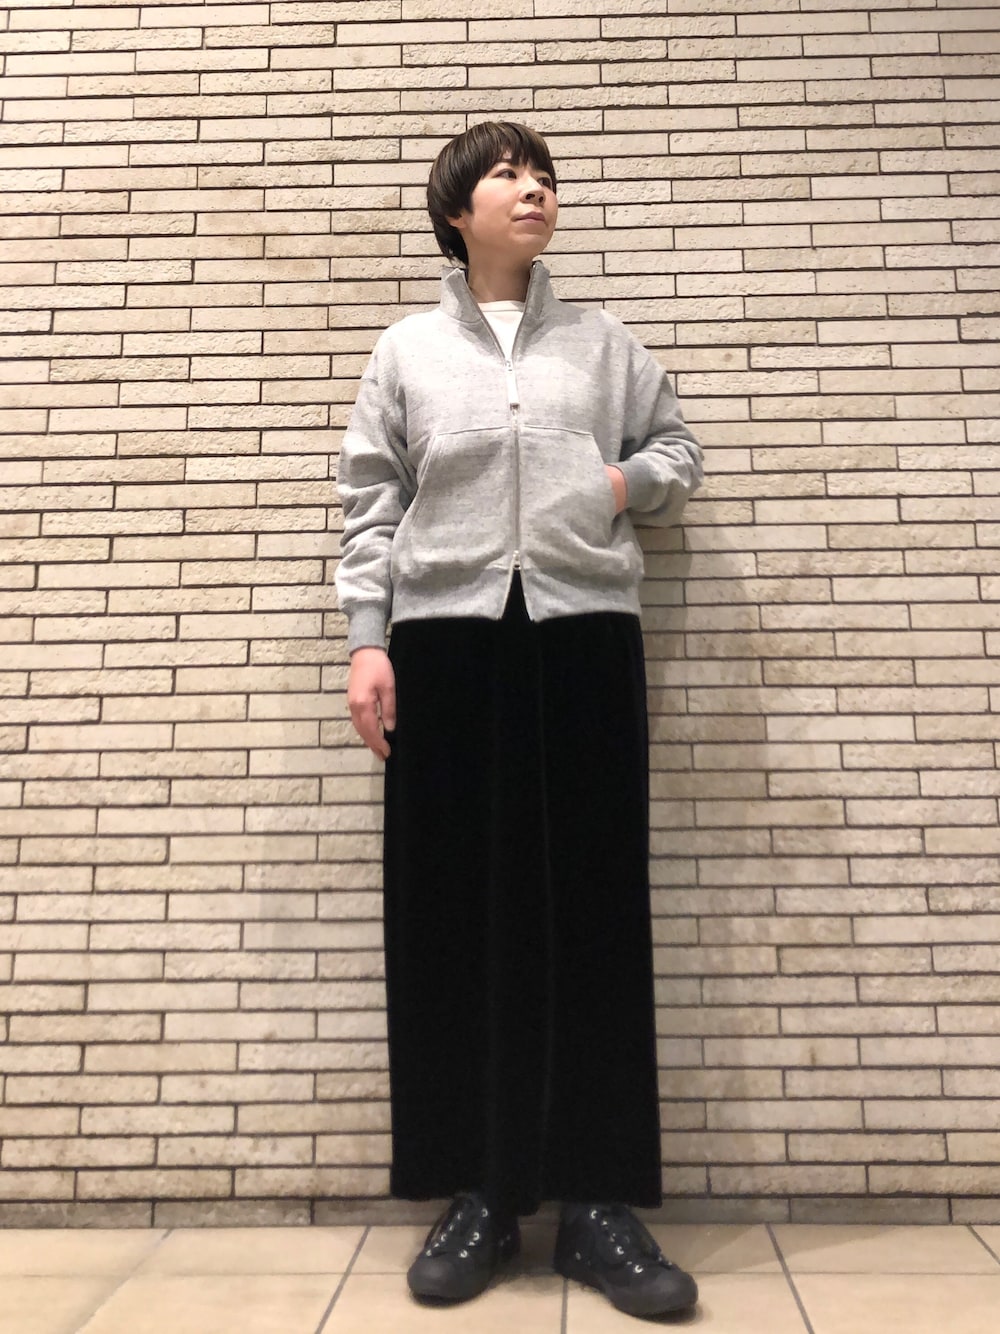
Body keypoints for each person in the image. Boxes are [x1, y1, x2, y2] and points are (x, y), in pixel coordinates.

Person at [335, 121, 704, 1321]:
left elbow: (677, 448)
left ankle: (596, 1202)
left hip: (582, 634)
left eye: (542, 173)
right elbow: (370, 501)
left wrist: (620, 482)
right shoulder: (405, 349)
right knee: (452, 917)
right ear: (456, 210)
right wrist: (368, 639)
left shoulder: (602, 343)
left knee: (594, 910)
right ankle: (481, 1192)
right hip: (444, 645)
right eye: (506, 173)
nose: (533, 186)